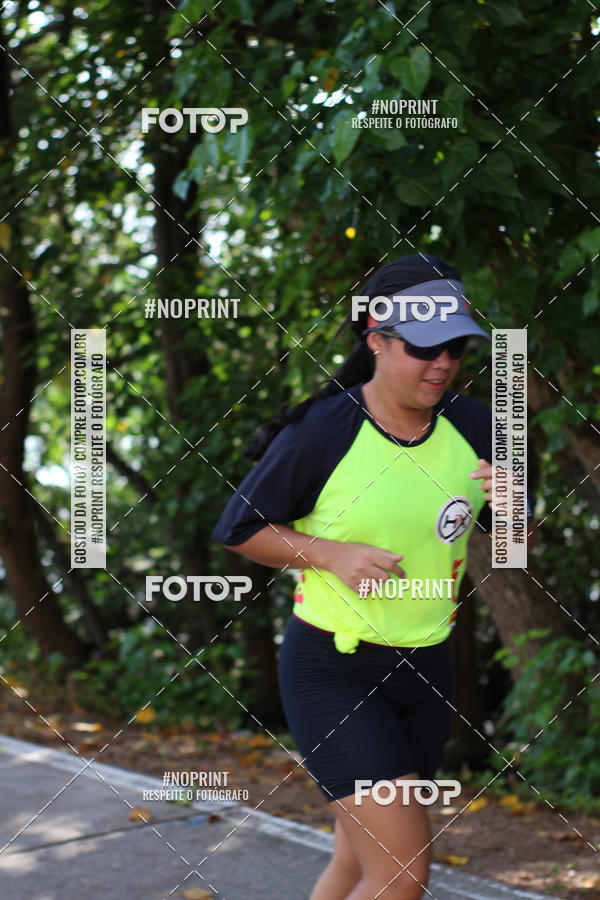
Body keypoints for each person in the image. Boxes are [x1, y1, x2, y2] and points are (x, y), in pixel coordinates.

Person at [210, 255, 537, 900]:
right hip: (334, 671)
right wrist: (329, 553)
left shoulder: (479, 426)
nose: (442, 364)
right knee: (402, 876)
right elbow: (238, 529)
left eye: (455, 347)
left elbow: (512, 551)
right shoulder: (323, 432)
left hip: (426, 671)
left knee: (356, 865)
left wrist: (512, 512)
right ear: (377, 340)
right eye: (424, 348)